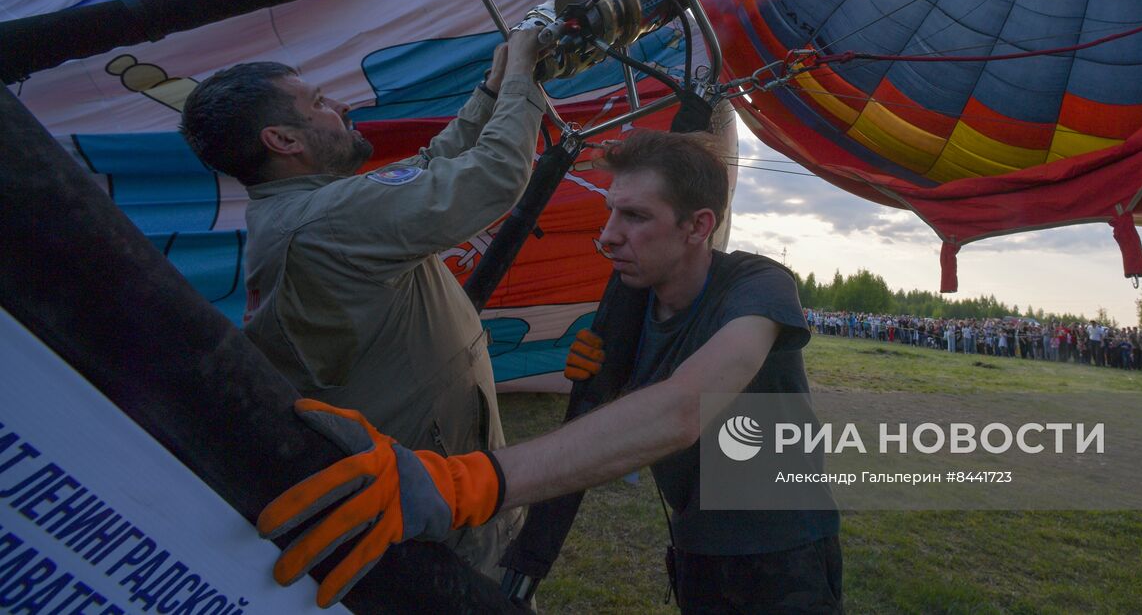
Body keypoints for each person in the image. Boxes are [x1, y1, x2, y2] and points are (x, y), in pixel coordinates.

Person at [254, 127, 843, 612]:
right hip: (694, 536)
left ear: (698, 225)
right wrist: (616, 378)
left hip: (780, 542)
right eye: (611, 211)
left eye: (636, 216)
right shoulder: (635, 295)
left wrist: (466, 483)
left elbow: (684, 408)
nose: (609, 236)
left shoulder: (759, 285)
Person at [178, 30, 546, 579]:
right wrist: (524, 75)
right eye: (320, 103)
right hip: (434, 517)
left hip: (441, 482)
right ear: (282, 140)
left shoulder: (312, 211)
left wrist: (492, 92)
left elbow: (426, 168)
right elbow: (493, 177)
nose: (341, 106)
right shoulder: (324, 222)